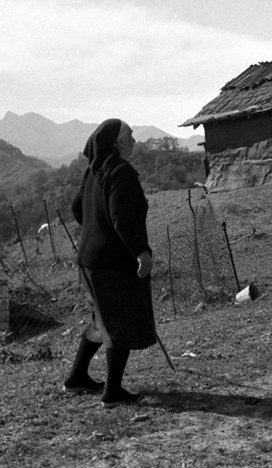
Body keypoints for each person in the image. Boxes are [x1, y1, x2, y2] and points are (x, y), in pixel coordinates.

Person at [64, 118, 156, 409]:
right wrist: (141, 252)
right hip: (113, 263)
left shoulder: (94, 171)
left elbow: (77, 208)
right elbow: (122, 217)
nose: (134, 140)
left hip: (89, 260)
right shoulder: (121, 171)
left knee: (101, 320)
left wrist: (96, 229)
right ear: (118, 142)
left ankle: (77, 378)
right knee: (121, 321)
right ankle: (112, 392)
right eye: (130, 134)